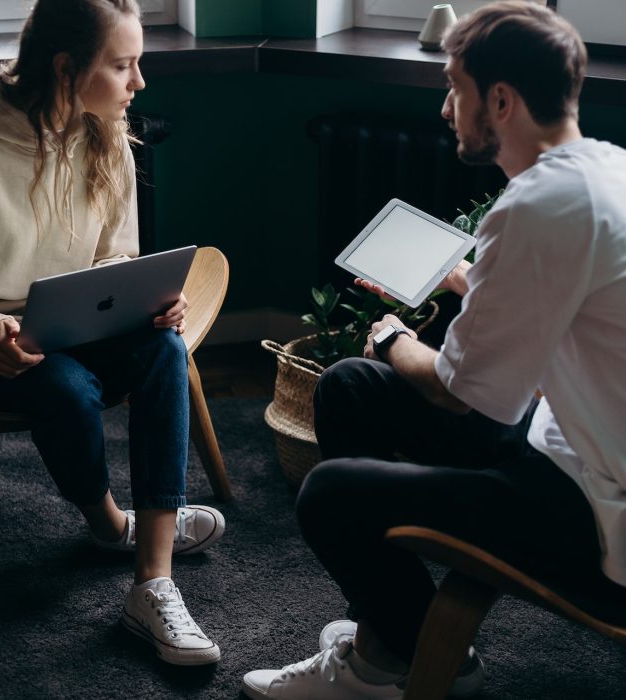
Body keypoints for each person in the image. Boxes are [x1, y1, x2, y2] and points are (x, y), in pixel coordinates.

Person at [243, 1, 626, 697]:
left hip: (593, 514)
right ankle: (393, 638)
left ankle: (400, 657)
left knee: (329, 493)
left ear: (501, 100)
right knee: (348, 387)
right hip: (564, 445)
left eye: (455, 88)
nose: (448, 109)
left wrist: (392, 339)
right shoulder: (603, 172)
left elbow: (457, 391)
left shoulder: (535, 204)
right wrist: (468, 280)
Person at [0, 0, 223, 667]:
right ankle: (109, 525)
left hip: (77, 326)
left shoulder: (106, 131)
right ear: (66, 69)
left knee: (161, 348)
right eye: (122, 65)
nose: (138, 82)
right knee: (64, 384)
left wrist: (152, 303)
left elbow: (115, 259)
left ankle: (152, 582)